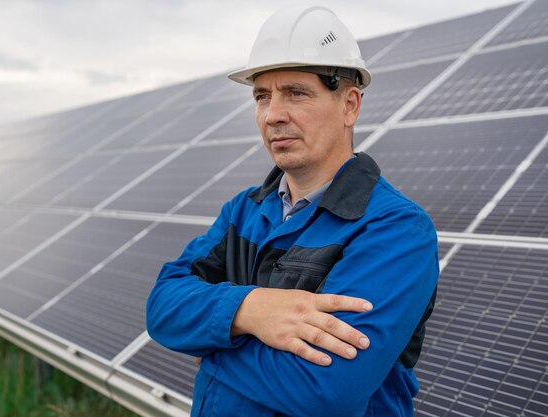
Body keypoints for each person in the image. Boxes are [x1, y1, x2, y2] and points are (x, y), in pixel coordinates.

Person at [146, 4, 439, 417]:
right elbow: (161, 308)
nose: (272, 115)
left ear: (350, 105)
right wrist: (251, 309)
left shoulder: (396, 229)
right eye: (261, 96)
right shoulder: (243, 211)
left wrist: (212, 344)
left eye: (296, 93)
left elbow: (326, 389)